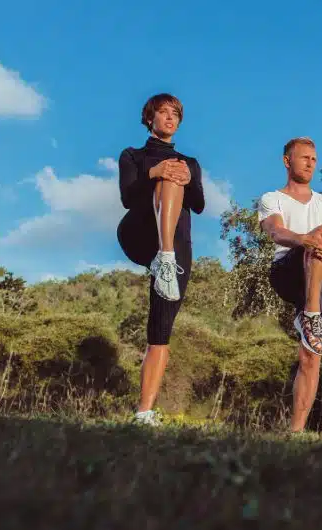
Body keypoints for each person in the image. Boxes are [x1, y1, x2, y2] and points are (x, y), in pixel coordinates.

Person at [116, 93, 205, 426]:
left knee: (161, 330)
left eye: (175, 114)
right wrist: (156, 171)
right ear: (149, 118)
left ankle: (144, 413)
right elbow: (127, 197)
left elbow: (198, 204)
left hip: (178, 246)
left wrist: (186, 178)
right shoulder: (133, 156)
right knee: (168, 175)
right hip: (139, 233)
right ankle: (162, 256)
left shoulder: (189, 162)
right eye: (163, 113)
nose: (170, 118)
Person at [258, 136, 322, 432]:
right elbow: (275, 232)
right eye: (304, 157)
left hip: (321, 278)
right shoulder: (273, 198)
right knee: (318, 235)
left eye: (314, 159)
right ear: (287, 161)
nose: (310, 163)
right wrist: (308, 239)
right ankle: (310, 316)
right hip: (288, 268)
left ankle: (296, 432)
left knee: (311, 355)